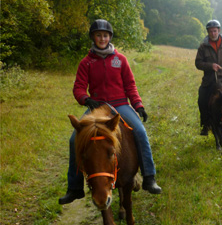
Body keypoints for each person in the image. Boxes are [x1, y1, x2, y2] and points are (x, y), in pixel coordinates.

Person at [59, 19, 162, 205]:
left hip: (121, 105)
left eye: (105, 35)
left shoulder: (120, 59)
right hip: (97, 108)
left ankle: (149, 177)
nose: (102, 38)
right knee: (74, 139)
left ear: (110, 37)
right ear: (93, 37)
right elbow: (79, 88)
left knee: (140, 131)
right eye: (98, 35)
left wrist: (138, 105)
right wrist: (86, 99)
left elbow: (130, 85)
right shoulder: (86, 62)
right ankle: (74, 188)